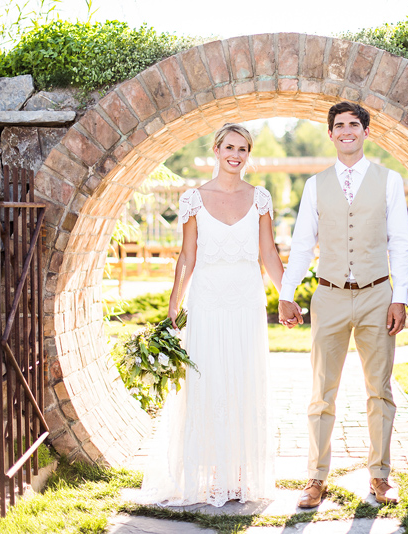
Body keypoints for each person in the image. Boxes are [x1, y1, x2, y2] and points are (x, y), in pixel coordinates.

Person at [133, 123, 298, 506]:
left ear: (248, 154)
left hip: (246, 301)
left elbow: (269, 254)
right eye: (229, 147)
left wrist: (286, 296)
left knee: (242, 379)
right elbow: (188, 256)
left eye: (243, 149)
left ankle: (239, 476)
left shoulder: (260, 197)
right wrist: (175, 301)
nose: (235, 155)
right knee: (207, 382)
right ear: (217, 149)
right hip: (207, 300)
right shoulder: (193, 198)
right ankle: (205, 474)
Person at [278, 101, 408, 507]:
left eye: (355, 124)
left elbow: (400, 243)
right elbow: (303, 243)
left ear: (366, 132)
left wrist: (400, 297)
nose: (347, 130)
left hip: (377, 295)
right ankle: (316, 479)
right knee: (322, 392)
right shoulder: (316, 185)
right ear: (331, 134)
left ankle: (380, 477)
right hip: (329, 295)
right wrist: (287, 293)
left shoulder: (389, 181)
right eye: (340, 125)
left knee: (380, 391)